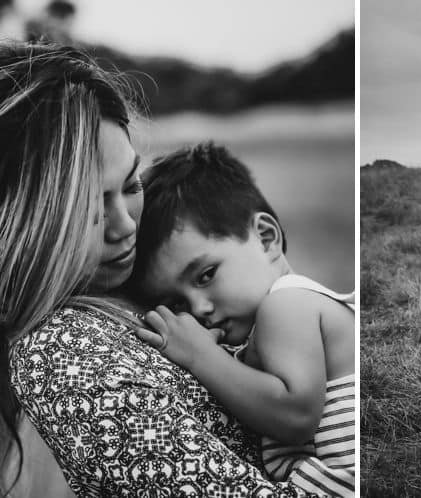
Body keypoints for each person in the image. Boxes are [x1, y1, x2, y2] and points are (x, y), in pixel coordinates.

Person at [0, 42, 318, 497]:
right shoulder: (60, 356)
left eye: (131, 184)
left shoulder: (139, 289)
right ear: (22, 225)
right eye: (89, 208)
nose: (125, 225)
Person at [130, 143, 357, 497]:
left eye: (205, 275)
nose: (199, 309)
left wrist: (199, 356)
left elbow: (296, 417)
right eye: (177, 303)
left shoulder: (286, 305)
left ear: (266, 238)